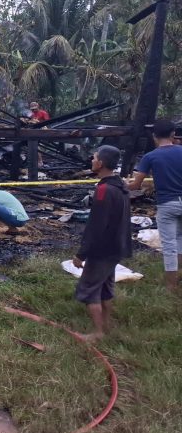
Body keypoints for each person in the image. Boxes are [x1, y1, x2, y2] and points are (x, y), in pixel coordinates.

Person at [73, 145, 131, 341]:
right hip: (117, 246)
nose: (92, 160)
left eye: (94, 157)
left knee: (89, 289)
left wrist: (82, 253)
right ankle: (107, 327)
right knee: (106, 288)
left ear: (101, 163)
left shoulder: (104, 190)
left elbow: (96, 225)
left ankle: (98, 333)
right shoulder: (120, 186)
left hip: (102, 249)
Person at [129, 119, 182, 292]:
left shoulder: (150, 156)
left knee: (169, 245)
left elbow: (136, 185)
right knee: (181, 239)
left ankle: (171, 285)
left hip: (167, 204)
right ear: (173, 134)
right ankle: (179, 275)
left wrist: (121, 183)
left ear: (154, 136)